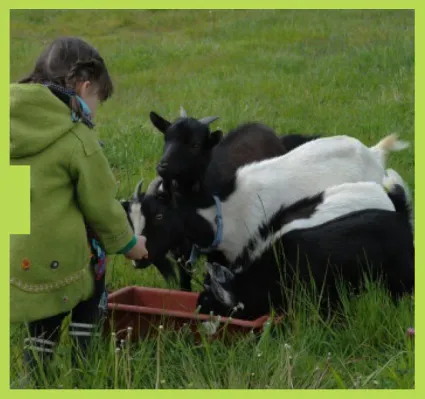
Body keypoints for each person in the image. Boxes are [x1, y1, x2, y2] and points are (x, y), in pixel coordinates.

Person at [10, 36, 148, 385]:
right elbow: (100, 206)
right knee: (94, 272)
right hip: (65, 261)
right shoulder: (76, 137)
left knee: (43, 316)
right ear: (84, 87)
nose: (94, 111)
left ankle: (35, 376)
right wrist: (131, 245)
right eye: (97, 101)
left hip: (17, 261)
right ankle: (85, 366)